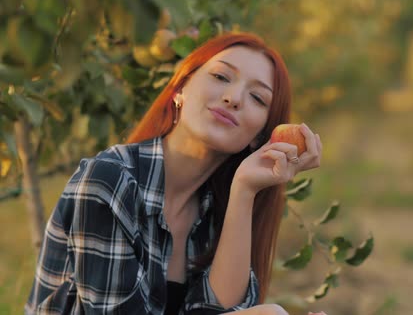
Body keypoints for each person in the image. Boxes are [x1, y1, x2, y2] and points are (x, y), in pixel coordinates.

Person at [25, 32, 326, 315]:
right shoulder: (109, 180)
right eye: (221, 76)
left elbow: (217, 312)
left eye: (257, 98)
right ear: (180, 88)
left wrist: (245, 190)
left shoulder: (215, 209)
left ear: (259, 137)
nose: (234, 98)